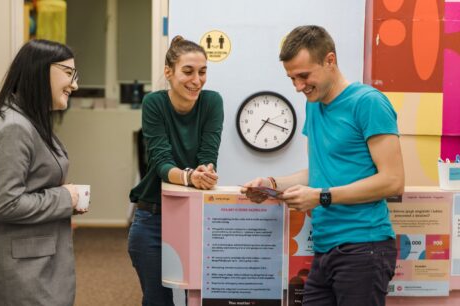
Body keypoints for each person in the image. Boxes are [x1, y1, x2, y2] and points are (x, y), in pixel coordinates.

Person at [242, 25, 404, 306]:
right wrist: (271, 184)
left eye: (304, 76)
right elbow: (317, 172)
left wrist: (321, 197)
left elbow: (393, 181)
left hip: (364, 246)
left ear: (330, 60)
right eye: (292, 78)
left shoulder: (368, 103)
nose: (298, 86)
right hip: (326, 247)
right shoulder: (313, 105)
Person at [0, 39, 84, 306]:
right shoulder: (14, 127)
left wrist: (65, 201)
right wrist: (66, 198)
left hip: (33, 266)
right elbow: (6, 204)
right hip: (21, 277)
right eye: (68, 74)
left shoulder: (26, 119)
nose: (75, 85)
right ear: (41, 70)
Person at [128, 35, 224, 306]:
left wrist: (205, 172)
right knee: (158, 301)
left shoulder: (212, 102)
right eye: (188, 71)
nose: (197, 80)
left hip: (196, 216)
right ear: (168, 72)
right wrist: (190, 177)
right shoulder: (154, 103)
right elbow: (160, 162)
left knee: (202, 298)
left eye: (203, 72)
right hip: (153, 218)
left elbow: (208, 156)